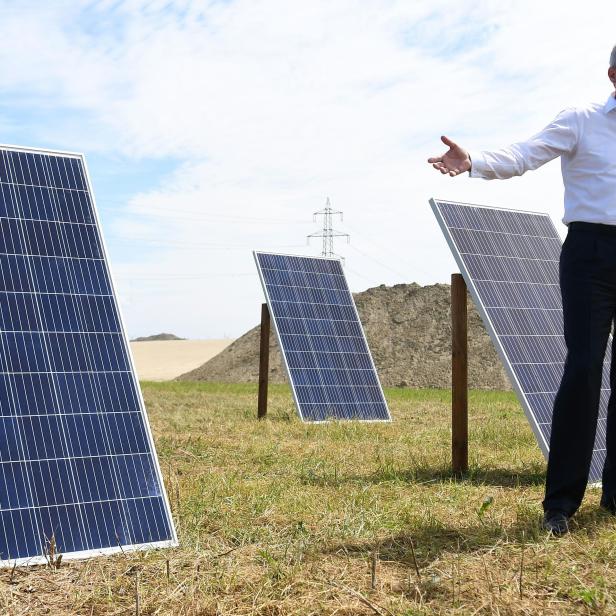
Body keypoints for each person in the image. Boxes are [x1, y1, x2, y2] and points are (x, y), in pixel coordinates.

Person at [428, 45, 616, 535]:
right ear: (613, 73)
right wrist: (473, 161)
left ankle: (614, 497)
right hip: (592, 253)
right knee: (584, 367)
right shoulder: (581, 119)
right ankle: (561, 505)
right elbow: (525, 154)